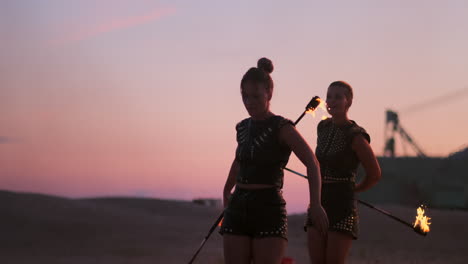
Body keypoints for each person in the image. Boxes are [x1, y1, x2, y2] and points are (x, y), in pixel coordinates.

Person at [220, 57, 329, 264]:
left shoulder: (282, 127)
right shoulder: (242, 127)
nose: (249, 102)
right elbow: (239, 161)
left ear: (269, 93)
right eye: (245, 96)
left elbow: (312, 162)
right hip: (237, 208)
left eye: (255, 96)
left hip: (268, 209)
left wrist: (315, 203)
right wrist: (226, 190)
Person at [306, 81, 382, 264]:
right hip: (319, 201)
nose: (332, 100)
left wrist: (355, 190)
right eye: (329, 96)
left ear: (349, 102)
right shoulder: (322, 128)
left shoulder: (355, 135)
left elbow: (374, 173)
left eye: (338, 97)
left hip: (342, 205)